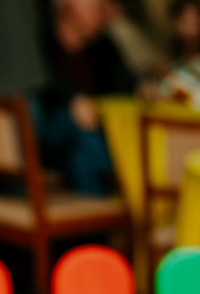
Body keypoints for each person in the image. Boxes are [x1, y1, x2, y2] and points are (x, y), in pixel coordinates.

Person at [38, 0, 136, 196]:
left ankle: (98, 218)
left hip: (91, 135)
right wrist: (74, 99)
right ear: (67, 5)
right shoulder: (41, 38)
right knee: (77, 123)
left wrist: (144, 88)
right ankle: (122, 178)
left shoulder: (103, 45)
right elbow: (41, 79)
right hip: (45, 134)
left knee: (81, 155)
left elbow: (128, 85)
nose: (100, 9)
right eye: (93, 4)